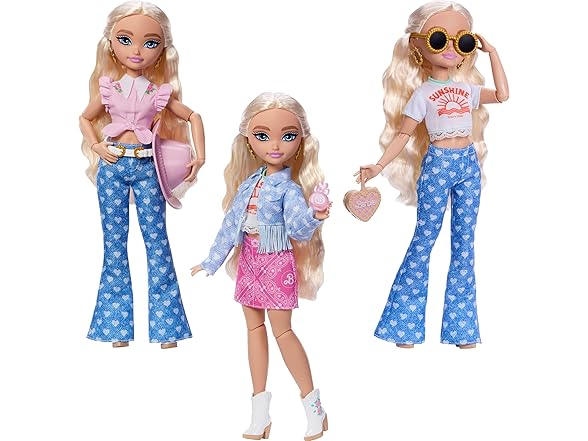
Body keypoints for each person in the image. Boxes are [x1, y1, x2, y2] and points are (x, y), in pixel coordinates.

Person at [358, 1, 509, 348]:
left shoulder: (467, 91)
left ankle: (462, 331)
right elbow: (403, 135)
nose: (452, 48)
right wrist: (379, 165)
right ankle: (403, 327)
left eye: (463, 41)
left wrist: (493, 53)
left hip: (467, 163)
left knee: (464, 244)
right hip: (438, 164)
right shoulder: (422, 94)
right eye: (439, 39)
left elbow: (503, 95)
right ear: (418, 45)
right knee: (424, 240)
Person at [192, 92, 329, 440]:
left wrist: (315, 214)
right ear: (249, 141)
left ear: (300, 141)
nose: (275, 145)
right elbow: (230, 225)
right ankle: (260, 415)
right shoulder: (248, 185)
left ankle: (314, 408)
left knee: (283, 332)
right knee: (253, 329)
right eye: (263, 136)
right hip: (250, 260)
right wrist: (211, 260)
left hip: (276, 259)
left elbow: (298, 229)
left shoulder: (289, 189)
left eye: (288, 135)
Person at [79, 1, 205, 349]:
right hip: (113, 165)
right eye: (126, 40)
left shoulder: (158, 92)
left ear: (162, 50)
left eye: (150, 43)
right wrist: (96, 146)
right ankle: (115, 328)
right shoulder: (109, 88)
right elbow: (85, 118)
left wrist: (201, 156)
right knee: (114, 245)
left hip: (148, 165)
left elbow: (193, 116)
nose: (137, 50)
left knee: (157, 243)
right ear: (111, 45)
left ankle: (167, 329)